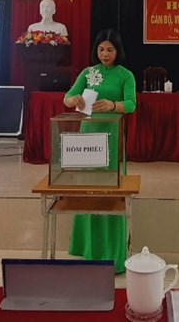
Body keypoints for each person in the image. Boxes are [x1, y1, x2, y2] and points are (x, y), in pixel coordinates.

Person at [62, 29, 136, 272]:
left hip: (112, 135)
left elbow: (132, 104)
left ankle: (113, 253)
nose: (105, 54)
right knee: (88, 187)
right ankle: (88, 249)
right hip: (88, 135)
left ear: (118, 51)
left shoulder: (125, 75)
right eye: (101, 49)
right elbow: (68, 97)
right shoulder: (88, 72)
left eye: (110, 50)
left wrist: (114, 105)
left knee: (110, 190)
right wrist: (73, 100)